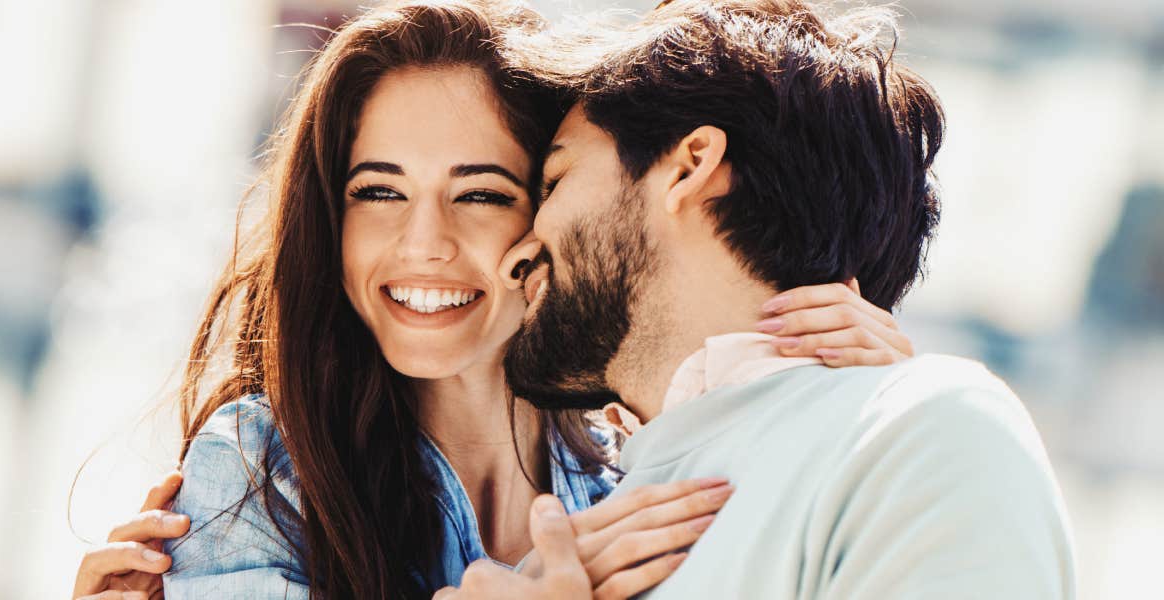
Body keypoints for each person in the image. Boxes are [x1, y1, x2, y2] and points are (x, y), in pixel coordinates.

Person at [69, 1, 912, 599]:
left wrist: (868, 414)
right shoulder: (265, 468)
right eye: (378, 192)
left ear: (552, 210)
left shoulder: (649, 477)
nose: (423, 244)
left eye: (479, 194)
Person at [437, 0, 1077, 598]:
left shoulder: (920, 433)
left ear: (691, 166)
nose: (517, 253)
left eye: (554, 181)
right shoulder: (560, 560)